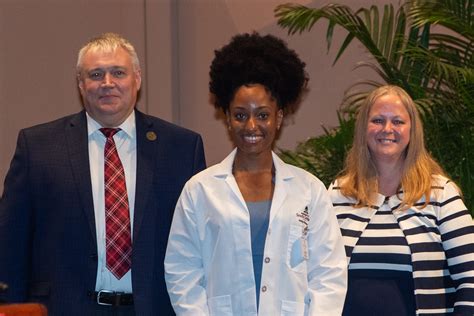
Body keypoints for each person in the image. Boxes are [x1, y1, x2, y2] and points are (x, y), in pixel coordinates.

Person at [0, 32, 206, 315]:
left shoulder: (182, 148)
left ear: (137, 79)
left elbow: (199, 245)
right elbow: (11, 244)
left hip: (154, 308)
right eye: (96, 74)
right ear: (81, 84)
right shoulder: (38, 147)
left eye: (118, 73)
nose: (107, 83)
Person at [164, 32, 347, 315]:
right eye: (240, 115)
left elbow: (329, 274)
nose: (251, 126)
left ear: (279, 118)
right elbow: (182, 271)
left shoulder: (309, 190)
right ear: (227, 118)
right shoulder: (199, 190)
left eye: (262, 114)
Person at [329, 85, 474, 315]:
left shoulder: (440, 194)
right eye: (377, 120)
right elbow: (320, 276)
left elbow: (471, 279)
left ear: (412, 130)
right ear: (363, 128)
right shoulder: (338, 193)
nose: (387, 129)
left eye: (398, 121)